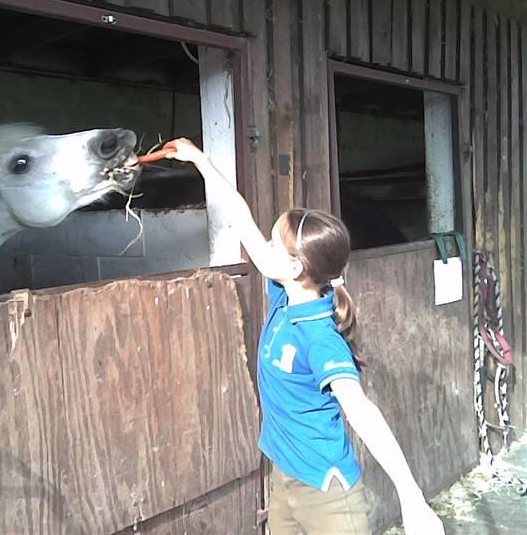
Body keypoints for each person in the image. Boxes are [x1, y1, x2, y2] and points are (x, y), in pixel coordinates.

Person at [162, 138, 444, 535]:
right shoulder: (284, 295)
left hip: (326, 493)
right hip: (286, 476)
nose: (265, 246)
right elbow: (242, 218)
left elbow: (362, 413)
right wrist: (199, 160)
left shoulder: (319, 336)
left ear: (296, 267)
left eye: (275, 244)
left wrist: (411, 498)